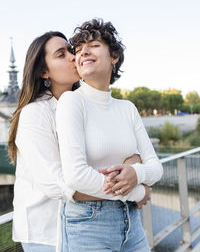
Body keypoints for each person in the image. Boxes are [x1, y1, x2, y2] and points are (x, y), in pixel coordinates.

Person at [9, 31, 151, 252]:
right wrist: (135, 192)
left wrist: (133, 165)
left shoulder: (86, 105)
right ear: (44, 72)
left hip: (97, 222)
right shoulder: (35, 114)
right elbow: (60, 184)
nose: (73, 56)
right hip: (48, 232)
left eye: (70, 50)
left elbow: (125, 154)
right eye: (61, 54)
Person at [56, 19, 163, 252]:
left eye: (93, 45)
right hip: (87, 226)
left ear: (114, 56)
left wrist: (136, 172)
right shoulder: (72, 102)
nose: (83, 51)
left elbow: (156, 167)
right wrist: (137, 191)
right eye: (79, 48)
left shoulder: (127, 108)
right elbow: (76, 176)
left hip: (132, 223)